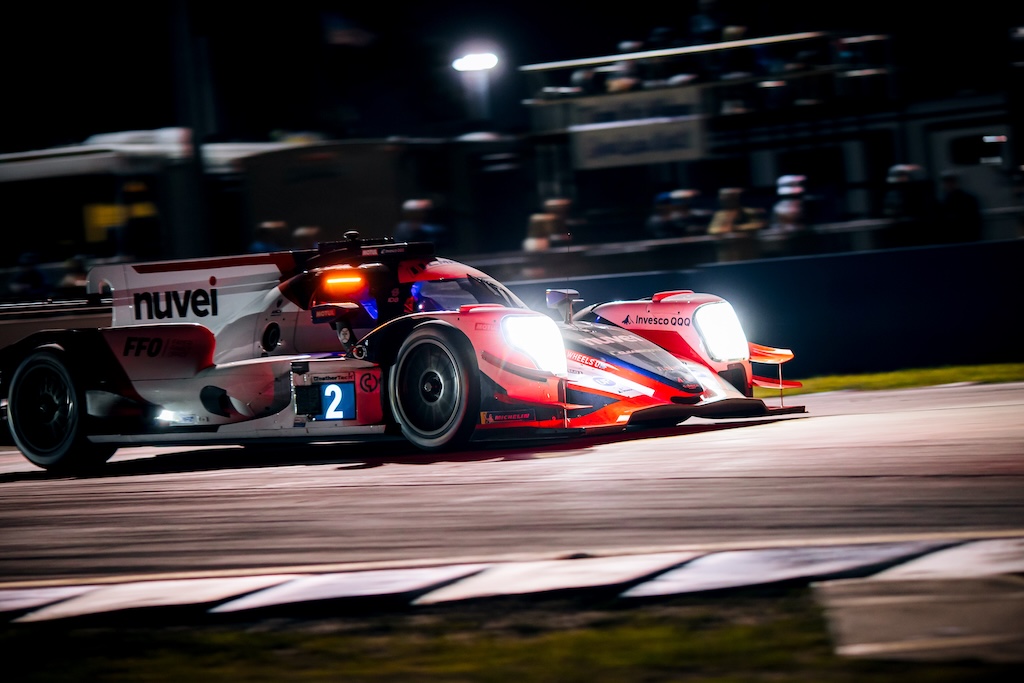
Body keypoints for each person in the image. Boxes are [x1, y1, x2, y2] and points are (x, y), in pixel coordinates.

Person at [935, 171, 983, 243]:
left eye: (951, 182)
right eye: (947, 182)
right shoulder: (941, 201)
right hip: (950, 238)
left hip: (968, 236)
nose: (949, 184)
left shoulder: (968, 198)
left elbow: (974, 218)